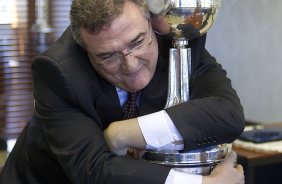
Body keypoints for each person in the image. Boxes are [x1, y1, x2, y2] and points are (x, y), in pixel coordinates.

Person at [0, 0, 245, 183]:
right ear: (85, 49)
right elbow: (94, 170)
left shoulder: (175, 37)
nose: (131, 65)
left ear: (150, 20)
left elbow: (229, 115)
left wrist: (125, 132)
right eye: (108, 56)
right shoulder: (58, 71)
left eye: (138, 42)